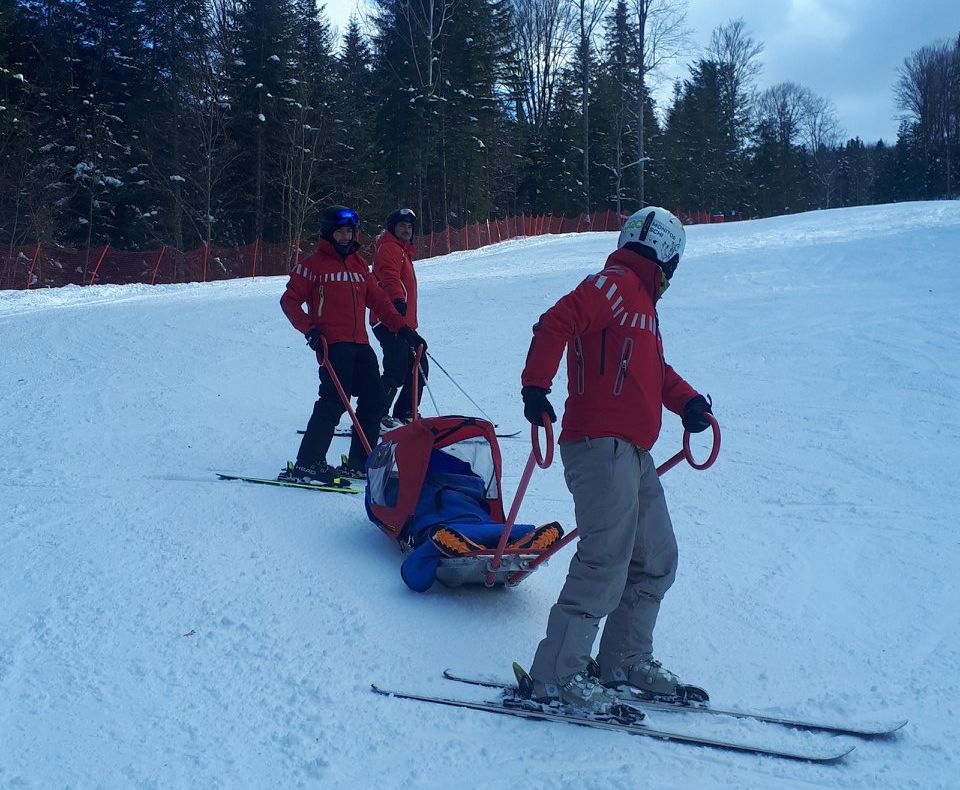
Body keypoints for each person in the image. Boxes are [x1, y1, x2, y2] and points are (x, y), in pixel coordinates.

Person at [519, 206, 713, 713]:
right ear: (667, 256)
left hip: (632, 451)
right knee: (605, 558)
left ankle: (624, 659)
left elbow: (656, 370)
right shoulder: (614, 284)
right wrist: (536, 388)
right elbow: (556, 321)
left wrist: (688, 401)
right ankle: (556, 676)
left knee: (655, 557)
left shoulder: (642, 307)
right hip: (600, 446)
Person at [280, 205, 427, 484]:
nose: (346, 237)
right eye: (340, 232)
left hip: (361, 343)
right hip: (333, 345)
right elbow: (289, 302)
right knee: (334, 402)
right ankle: (308, 463)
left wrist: (403, 329)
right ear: (328, 233)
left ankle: (362, 461)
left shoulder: (359, 265)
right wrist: (310, 331)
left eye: (349, 231)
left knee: (374, 401)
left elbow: (380, 302)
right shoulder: (312, 267)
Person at [371, 208, 428, 430]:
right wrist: (397, 300)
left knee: (418, 364)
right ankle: (377, 415)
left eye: (409, 226)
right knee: (396, 368)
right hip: (388, 318)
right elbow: (388, 276)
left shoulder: (403, 252)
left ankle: (406, 412)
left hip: (402, 321)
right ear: (393, 228)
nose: (406, 229)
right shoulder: (389, 248)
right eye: (402, 225)